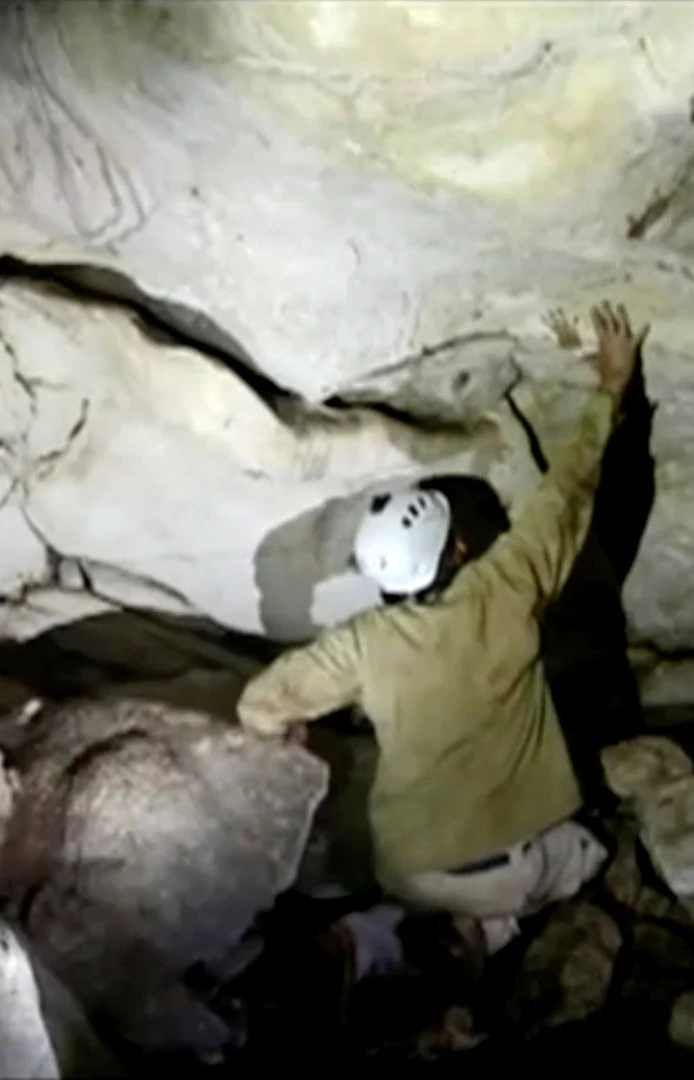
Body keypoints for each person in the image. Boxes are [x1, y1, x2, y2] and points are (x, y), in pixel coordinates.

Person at [237, 301, 648, 952]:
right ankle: (489, 930)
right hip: (509, 868)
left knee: (427, 884)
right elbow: (566, 494)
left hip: (407, 870)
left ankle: (399, 937)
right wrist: (611, 387)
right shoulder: (505, 587)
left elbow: (262, 701)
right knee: (589, 848)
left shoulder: (365, 643)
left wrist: (285, 735)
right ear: (457, 551)